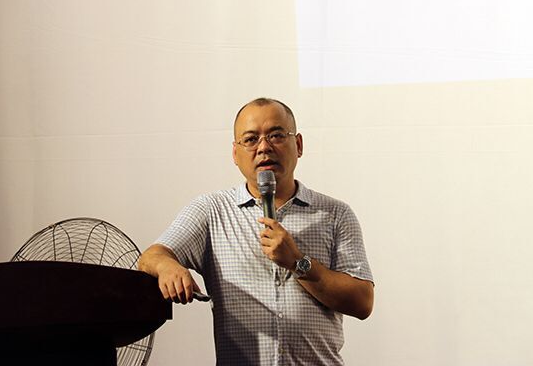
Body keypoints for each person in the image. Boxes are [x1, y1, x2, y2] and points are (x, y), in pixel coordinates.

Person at [139, 98, 374, 365]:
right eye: (250, 139)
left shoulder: (335, 213)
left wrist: (298, 262)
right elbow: (151, 256)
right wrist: (167, 266)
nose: (264, 147)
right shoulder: (211, 211)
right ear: (235, 153)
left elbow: (362, 302)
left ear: (298, 145)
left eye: (276, 135)